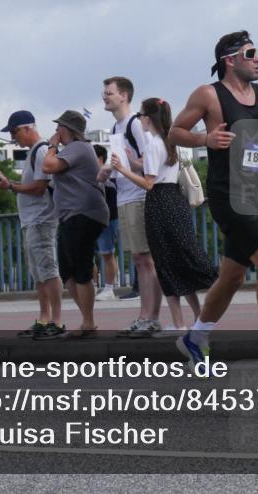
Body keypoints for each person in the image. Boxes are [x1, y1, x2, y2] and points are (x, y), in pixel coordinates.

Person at [170, 30, 258, 373]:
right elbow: (175, 132)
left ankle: (195, 338)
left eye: (257, 53)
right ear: (230, 60)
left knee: (233, 277)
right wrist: (205, 138)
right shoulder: (209, 95)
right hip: (228, 195)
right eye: (250, 53)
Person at [111, 97, 219, 333]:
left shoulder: (152, 145)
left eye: (140, 116)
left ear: (147, 119)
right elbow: (158, 169)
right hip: (175, 200)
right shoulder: (171, 141)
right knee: (180, 260)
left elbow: (149, 183)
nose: (139, 119)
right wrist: (131, 161)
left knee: (165, 263)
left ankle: (179, 322)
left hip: (158, 203)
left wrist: (122, 170)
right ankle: (200, 318)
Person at [0, 111, 64, 340]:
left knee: (48, 269)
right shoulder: (34, 152)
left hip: (42, 219)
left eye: (15, 132)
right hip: (32, 220)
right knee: (38, 271)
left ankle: (57, 321)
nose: (14, 138)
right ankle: (44, 318)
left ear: (28, 128)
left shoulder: (41, 150)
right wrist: (9, 182)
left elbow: (39, 187)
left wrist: (10, 186)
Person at [100, 76, 163, 337]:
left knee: (147, 259)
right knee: (140, 259)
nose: (105, 96)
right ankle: (145, 316)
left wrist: (124, 167)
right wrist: (108, 171)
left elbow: (150, 163)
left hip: (139, 196)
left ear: (124, 95)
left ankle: (150, 317)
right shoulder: (117, 128)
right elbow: (124, 164)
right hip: (125, 196)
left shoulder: (135, 124)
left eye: (109, 92)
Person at [41, 110, 110, 338]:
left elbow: (48, 166)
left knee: (81, 269)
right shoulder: (71, 151)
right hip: (70, 216)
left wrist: (52, 146)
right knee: (67, 270)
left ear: (67, 129)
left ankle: (89, 323)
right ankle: (86, 320)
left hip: (84, 213)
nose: (56, 132)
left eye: (59, 127)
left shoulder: (79, 148)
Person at [92, 145, 120, 299]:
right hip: (91, 218)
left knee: (107, 253)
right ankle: (94, 286)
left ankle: (109, 288)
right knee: (89, 254)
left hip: (108, 219)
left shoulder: (109, 175)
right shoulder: (87, 174)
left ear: (101, 159)